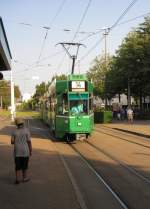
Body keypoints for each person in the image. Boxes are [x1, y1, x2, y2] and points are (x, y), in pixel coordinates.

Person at [11, 118, 32, 184]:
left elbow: (12, 142)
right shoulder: (27, 131)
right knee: (24, 166)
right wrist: (30, 150)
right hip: (25, 151)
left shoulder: (14, 132)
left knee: (17, 166)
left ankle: (17, 179)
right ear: (23, 124)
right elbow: (29, 142)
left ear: (17, 124)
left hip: (17, 151)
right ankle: (24, 178)